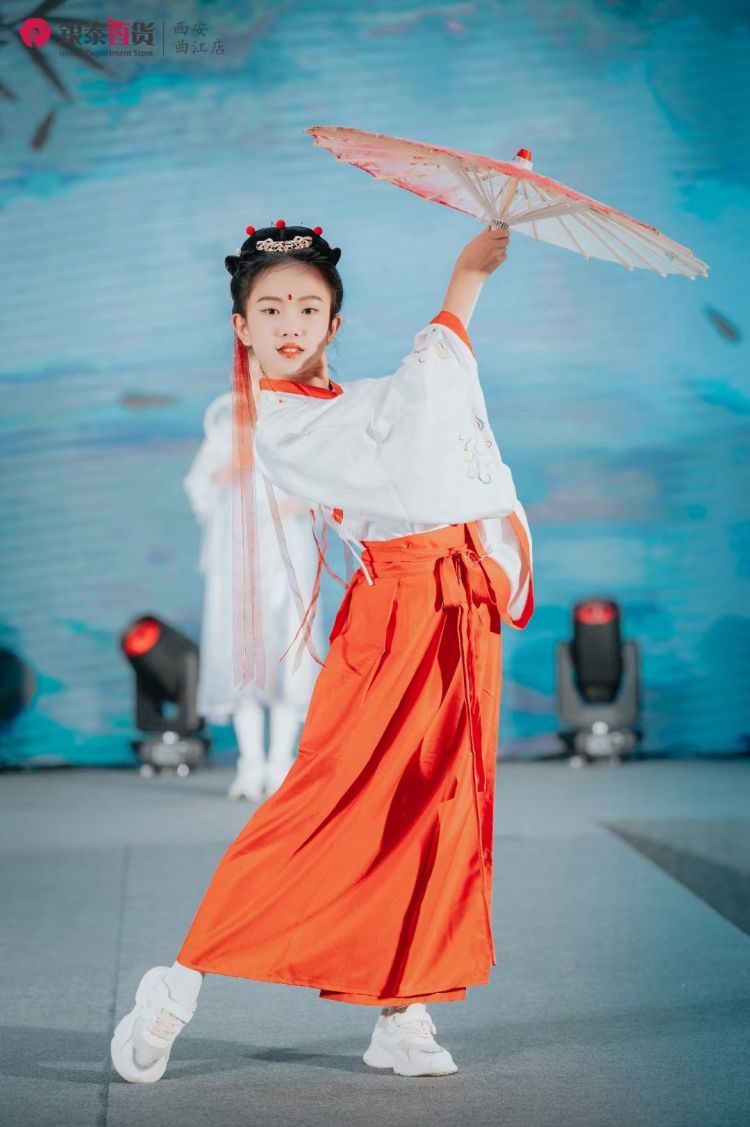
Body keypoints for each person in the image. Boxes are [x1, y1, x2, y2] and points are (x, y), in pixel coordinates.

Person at [110, 218, 534, 1083]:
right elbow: (423, 421)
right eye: (270, 309)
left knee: (441, 807)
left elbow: (421, 415)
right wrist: (465, 285)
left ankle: (403, 1011)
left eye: (309, 307)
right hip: (396, 615)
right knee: (321, 803)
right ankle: (181, 976)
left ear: (335, 323)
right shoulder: (281, 428)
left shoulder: (354, 400)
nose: (290, 323)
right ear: (241, 326)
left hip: (458, 606)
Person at [182, 391, 325, 801]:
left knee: (288, 656)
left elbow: (325, 489)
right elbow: (199, 487)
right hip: (239, 558)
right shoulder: (225, 432)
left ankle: (280, 763)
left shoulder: (297, 430)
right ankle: (250, 764)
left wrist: (301, 503)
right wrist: (231, 469)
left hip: (287, 555)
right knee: (241, 655)